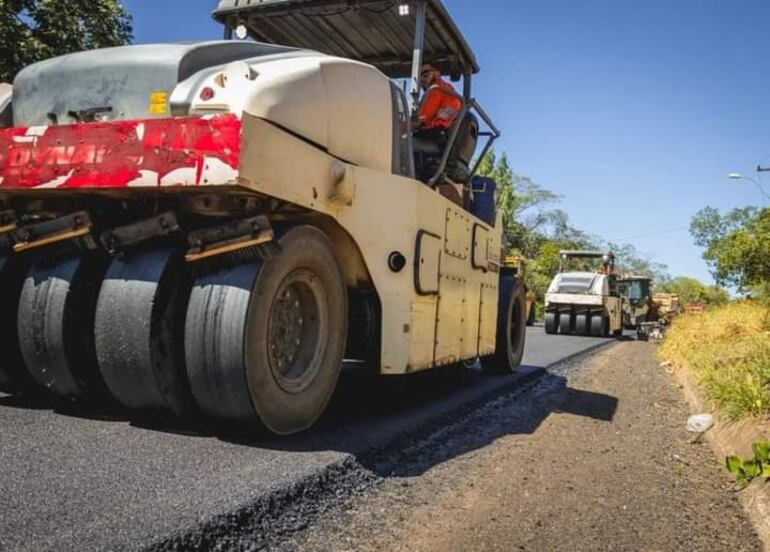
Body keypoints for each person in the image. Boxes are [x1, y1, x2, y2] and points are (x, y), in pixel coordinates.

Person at [412, 63, 463, 182]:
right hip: (443, 142)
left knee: (400, 143)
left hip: (434, 139)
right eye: (419, 77)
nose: (422, 80)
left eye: (425, 74)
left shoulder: (436, 89)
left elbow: (419, 121)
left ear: (437, 73)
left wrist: (397, 126)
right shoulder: (448, 89)